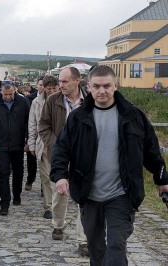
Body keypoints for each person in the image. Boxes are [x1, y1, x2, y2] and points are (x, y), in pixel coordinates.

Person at [51, 65, 168, 265]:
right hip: (89, 194)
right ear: (89, 86)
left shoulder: (133, 116)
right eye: (96, 86)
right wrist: (61, 175)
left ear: (116, 85)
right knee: (96, 248)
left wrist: (162, 179)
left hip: (122, 193)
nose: (102, 91)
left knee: (116, 245)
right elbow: (61, 149)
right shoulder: (78, 118)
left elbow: (151, 151)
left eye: (107, 85)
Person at [38, 67, 88, 256]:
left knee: (84, 195)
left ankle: (83, 239)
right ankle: (58, 224)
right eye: (60, 82)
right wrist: (55, 145)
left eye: (65, 82)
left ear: (77, 81)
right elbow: (43, 126)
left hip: (84, 156)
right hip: (60, 155)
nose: (61, 85)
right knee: (60, 193)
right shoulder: (53, 100)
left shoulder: (88, 102)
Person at [0, 80, 30, 216]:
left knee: (18, 171)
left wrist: (28, 140)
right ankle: (4, 203)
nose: (8, 97)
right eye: (5, 94)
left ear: (15, 90)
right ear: (1, 92)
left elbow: (29, 122)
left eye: (10, 94)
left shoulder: (23, 103)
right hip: (1, 144)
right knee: (3, 173)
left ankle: (17, 194)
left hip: (18, 144)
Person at [28, 75, 58, 219]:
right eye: (48, 88)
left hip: (61, 144)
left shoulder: (63, 101)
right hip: (44, 143)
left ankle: (59, 202)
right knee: (46, 176)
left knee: (60, 175)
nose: (51, 91)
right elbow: (32, 124)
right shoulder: (37, 102)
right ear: (44, 89)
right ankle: (49, 206)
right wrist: (31, 143)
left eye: (54, 88)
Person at [24, 76, 44, 191]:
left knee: (44, 160)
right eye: (40, 84)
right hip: (32, 131)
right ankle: (30, 179)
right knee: (31, 158)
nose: (42, 87)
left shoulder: (51, 98)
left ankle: (43, 186)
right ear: (37, 85)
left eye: (43, 85)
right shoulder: (29, 99)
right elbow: (27, 118)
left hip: (44, 133)